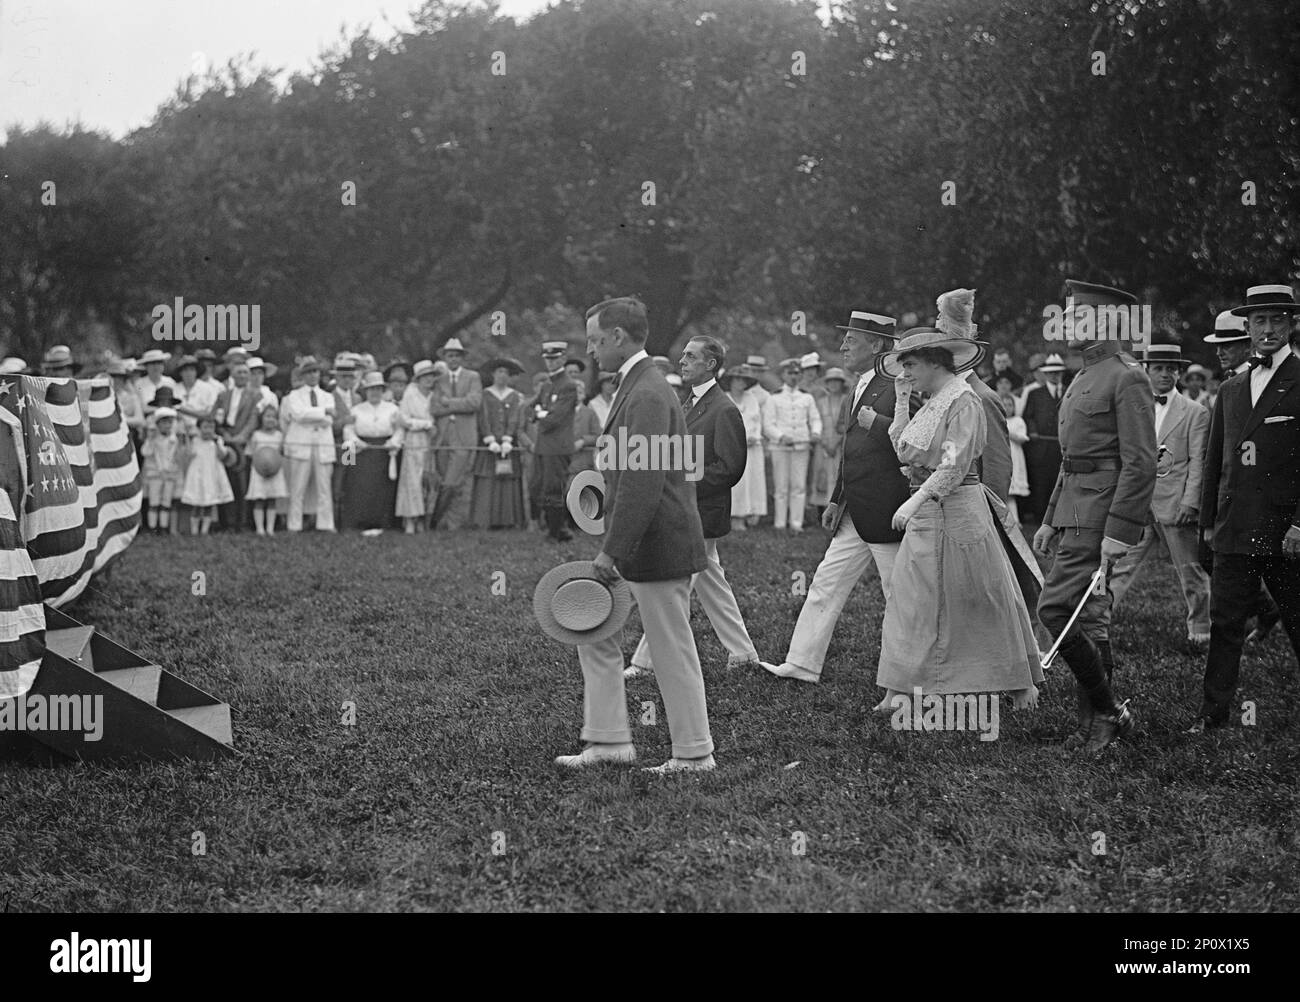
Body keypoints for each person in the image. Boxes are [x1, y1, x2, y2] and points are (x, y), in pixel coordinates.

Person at [555, 296, 714, 773]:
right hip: (642, 536)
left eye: (596, 340)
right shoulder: (638, 385)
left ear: (619, 337)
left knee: (670, 650)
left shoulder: (645, 392)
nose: (591, 350)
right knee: (594, 632)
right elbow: (626, 472)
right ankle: (608, 742)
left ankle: (695, 753)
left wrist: (612, 552)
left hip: (656, 540)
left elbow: (643, 484)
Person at [873, 327, 1042, 710]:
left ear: (936, 361)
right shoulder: (931, 401)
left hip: (959, 509)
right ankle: (899, 690)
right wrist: (901, 399)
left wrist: (914, 502)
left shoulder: (964, 401)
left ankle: (1019, 684)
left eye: (911, 365)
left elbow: (954, 464)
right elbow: (902, 448)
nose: (906, 373)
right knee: (911, 598)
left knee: (980, 594)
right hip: (927, 511)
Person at [1032, 281, 1155, 753]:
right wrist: (1047, 518)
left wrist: (1120, 531)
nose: (1066, 323)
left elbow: (1140, 461)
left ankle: (1107, 710)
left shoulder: (1127, 376)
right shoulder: (1084, 373)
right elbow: (1071, 458)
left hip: (1101, 514)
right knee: (1091, 614)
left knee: (1054, 608)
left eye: (1077, 316)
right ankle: (1095, 722)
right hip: (1074, 509)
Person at [762, 310, 917, 683]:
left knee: (902, 598)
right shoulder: (859, 385)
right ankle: (801, 663)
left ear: (877, 345)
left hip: (886, 511)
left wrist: (877, 424)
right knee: (824, 585)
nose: (842, 346)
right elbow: (853, 451)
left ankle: (911, 679)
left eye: (852, 339)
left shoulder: (899, 384)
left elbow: (912, 440)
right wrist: (836, 499)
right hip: (854, 510)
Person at [1191, 284, 1300, 732]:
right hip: (1235, 527)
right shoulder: (1233, 388)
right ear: (1248, 327)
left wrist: (1299, 524)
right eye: (1259, 321)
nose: (1268, 329)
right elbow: (1214, 463)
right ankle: (1212, 717)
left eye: (1277, 319)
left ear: (1292, 324)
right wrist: (1206, 528)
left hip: (1285, 531)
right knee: (1225, 623)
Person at [626, 334, 759, 678]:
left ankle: (644, 662)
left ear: (710, 364)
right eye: (683, 355)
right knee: (706, 582)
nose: (682, 361)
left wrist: (682, 487)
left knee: (674, 583)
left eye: (690, 356)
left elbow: (729, 468)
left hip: (702, 512)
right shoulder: (689, 402)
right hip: (688, 511)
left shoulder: (724, 409)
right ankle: (743, 653)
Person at [1105, 344, 1211, 652]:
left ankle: (1200, 626)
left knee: (1189, 568)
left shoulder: (1195, 411)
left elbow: (1197, 461)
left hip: (1174, 502)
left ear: (1179, 372)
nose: (1165, 374)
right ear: (1146, 371)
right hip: (1138, 504)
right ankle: (1099, 620)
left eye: (1171, 368)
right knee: (1119, 564)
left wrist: (1191, 502)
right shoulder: (1135, 408)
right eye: (1158, 368)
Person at [1202, 309, 1280, 643]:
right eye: (1218, 344)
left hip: (1265, 496)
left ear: (1247, 343)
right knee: (1213, 558)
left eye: (1229, 344)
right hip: (1227, 494)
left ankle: (1266, 610)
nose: (1220, 351)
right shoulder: (1229, 386)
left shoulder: (1268, 380)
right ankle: (1263, 609)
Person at [763, 357, 821, 532]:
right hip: (780, 446)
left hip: (801, 445)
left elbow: (815, 418)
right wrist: (780, 436)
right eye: (790, 373)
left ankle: (796, 523)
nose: (794, 376)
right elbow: (768, 424)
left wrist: (816, 432)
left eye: (797, 373)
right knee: (781, 486)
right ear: (783, 375)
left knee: (798, 485)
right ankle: (780, 523)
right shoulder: (774, 398)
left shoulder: (806, 397)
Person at [429, 338, 482, 531]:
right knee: (446, 480)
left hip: (463, 436)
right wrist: (458, 404)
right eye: (449, 356)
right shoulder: (438, 380)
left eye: (456, 355)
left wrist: (448, 403)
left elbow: (474, 403)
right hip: (443, 437)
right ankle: (451, 523)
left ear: (461, 358)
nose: (453, 359)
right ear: (445, 357)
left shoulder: (472, 377)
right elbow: (434, 408)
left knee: (452, 481)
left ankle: (435, 521)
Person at [341, 371, 403, 533]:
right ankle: (357, 521)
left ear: (383, 391)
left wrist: (393, 443)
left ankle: (384, 522)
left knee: (384, 488)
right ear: (365, 391)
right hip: (360, 452)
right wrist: (357, 443)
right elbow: (348, 431)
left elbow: (400, 430)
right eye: (371, 389)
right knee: (357, 486)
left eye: (378, 389)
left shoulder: (393, 409)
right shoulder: (356, 410)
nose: (374, 393)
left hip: (385, 452)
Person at [281, 355, 337, 533]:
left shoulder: (328, 396)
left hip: (323, 443)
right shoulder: (293, 396)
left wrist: (313, 415)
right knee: (297, 487)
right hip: (301, 443)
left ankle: (326, 524)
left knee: (324, 486)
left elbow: (329, 420)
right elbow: (297, 415)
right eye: (309, 372)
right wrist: (322, 412)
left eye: (316, 372)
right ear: (303, 376)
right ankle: (294, 524)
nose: (313, 376)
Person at [471, 359, 528, 529]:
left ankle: (509, 520)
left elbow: (514, 418)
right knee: (487, 477)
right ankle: (486, 520)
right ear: (493, 374)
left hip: (508, 445)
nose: (502, 376)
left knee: (508, 478)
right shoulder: (485, 394)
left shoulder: (515, 395)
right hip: (489, 445)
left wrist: (508, 438)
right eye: (499, 372)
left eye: (505, 372)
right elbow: (483, 418)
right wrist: (489, 438)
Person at [531, 341, 578, 542]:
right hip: (544, 445)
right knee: (540, 487)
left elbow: (554, 419)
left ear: (563, 359)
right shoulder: (547, 385)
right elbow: (530, 409)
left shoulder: (568, 385)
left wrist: (541, 414)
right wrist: (541, 413)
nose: (550, 363)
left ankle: (557, 530)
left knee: (554, 488)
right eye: (547, 359)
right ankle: (556, 529)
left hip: (558, 445)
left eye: (555, 358)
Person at [213, 360, 260, 533]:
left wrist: (240, 437)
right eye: (238, 372)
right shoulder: (223, 395)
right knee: (225, 482)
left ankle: (242, 523)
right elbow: (216, 418)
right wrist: (225, 435)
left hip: (243, 443)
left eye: (245, 372)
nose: (242, 375)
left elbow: (253, 419)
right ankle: (226, 522)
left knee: (242, 484)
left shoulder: (256, 395)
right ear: (232, 375)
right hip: (225, 442)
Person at [1020, 354, 1067, 524]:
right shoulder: (1035, 394)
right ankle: (1040, 519)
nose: (1055, 376)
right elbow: (1028, 416)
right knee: (1040, 483)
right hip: (1040, 448)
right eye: (1051, 373)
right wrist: (1032, 431)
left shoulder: (1069, 392)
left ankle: (1058, 519)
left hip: (1061, 448)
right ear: (1046, 374)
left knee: (1059, 481)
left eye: (1058, 373)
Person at [395, 360, 439, 534]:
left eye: (431, 376)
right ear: (418, 379)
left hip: (431, 442)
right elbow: (403, 419)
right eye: (424, 377)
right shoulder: (410, 395)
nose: (429, 380)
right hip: (414, 440)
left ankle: (423, 518)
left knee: (427, 481)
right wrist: (425, 424)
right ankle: (410, 519)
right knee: (412, 481)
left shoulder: (435, 395)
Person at [725, 364, 766, 532]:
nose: (740, 382)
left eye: (743, 380)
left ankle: (751, 513)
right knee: (737, 482)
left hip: (753, 446)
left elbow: (756, 422)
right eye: (737, 379)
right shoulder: (725, 398)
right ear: (731, 381)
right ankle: (735, 516)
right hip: (732, 446)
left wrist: (753, 436)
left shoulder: (752, 399)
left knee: (753, 479)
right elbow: (726, 424)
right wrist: (739, 439)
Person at [180, 415, 234, 535]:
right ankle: (194, 530)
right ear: (199, 428)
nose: (208, 430)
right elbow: (190, 454)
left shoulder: (217, 440)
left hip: (212, 474)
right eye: (205, 427)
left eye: (211, 427)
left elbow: (222, 456)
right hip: (198, 474)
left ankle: (204, 530)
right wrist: (187, 438)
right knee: (196, 503)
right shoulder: (195, 440)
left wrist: (217, 444)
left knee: (209, 503)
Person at [814, 366, 850, 524]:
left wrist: (836, 442)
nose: (834, 384)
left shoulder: (847, 400)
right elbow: (814, 422)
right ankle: (820, 512)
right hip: (822, 445)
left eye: (837, 381)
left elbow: (846, 424)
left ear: (842, 383)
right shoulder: (820, 402)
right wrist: (823, 442)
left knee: (837, 476)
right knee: (820, 475)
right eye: (831, 381)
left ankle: (837, 510)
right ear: (826, 383)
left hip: (841, 445)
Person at [246, 406, 288, 535]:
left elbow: (281, 452)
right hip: (259, 471)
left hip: (275, 471)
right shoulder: (256, 435)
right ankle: (260, 528)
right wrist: (260, 464)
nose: (270, 419)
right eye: (267, 416)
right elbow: (250, 452)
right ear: (261, 419)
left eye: (273, 417)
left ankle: (270, 528)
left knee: (272, 499)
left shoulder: (279, 436)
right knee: (259, 499)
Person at [141, 406, 182, 534]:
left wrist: (168, 469)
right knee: (154, 500)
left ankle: (163, 527)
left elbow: (177, 456)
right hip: (155, 474)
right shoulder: (153, 440)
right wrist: (150, 439)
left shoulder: (174, 440)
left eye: (170, 422)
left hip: (169, 474)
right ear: (157, 424)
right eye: (164, 422)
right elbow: (145, 452)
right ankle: (153, 527)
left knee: (166, 501)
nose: (167, 425)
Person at [1004, 393, 1030, 526]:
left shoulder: (1018, 420)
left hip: (1014, 456)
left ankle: (1016, 520)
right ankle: (1009, 520)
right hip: (1002, 455)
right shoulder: (998, 419)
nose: (1007, 407)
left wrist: (1007, 431)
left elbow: (1022, 438)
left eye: (1010, 405)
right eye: (1004, 404)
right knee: (1005, 492)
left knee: (1011, 492)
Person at [136, 349, 176, 415]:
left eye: (159, 363)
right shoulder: (139, 384)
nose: (156, 366)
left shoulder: (170, 382)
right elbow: (140, 408)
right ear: (146, 366)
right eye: (152, 363)